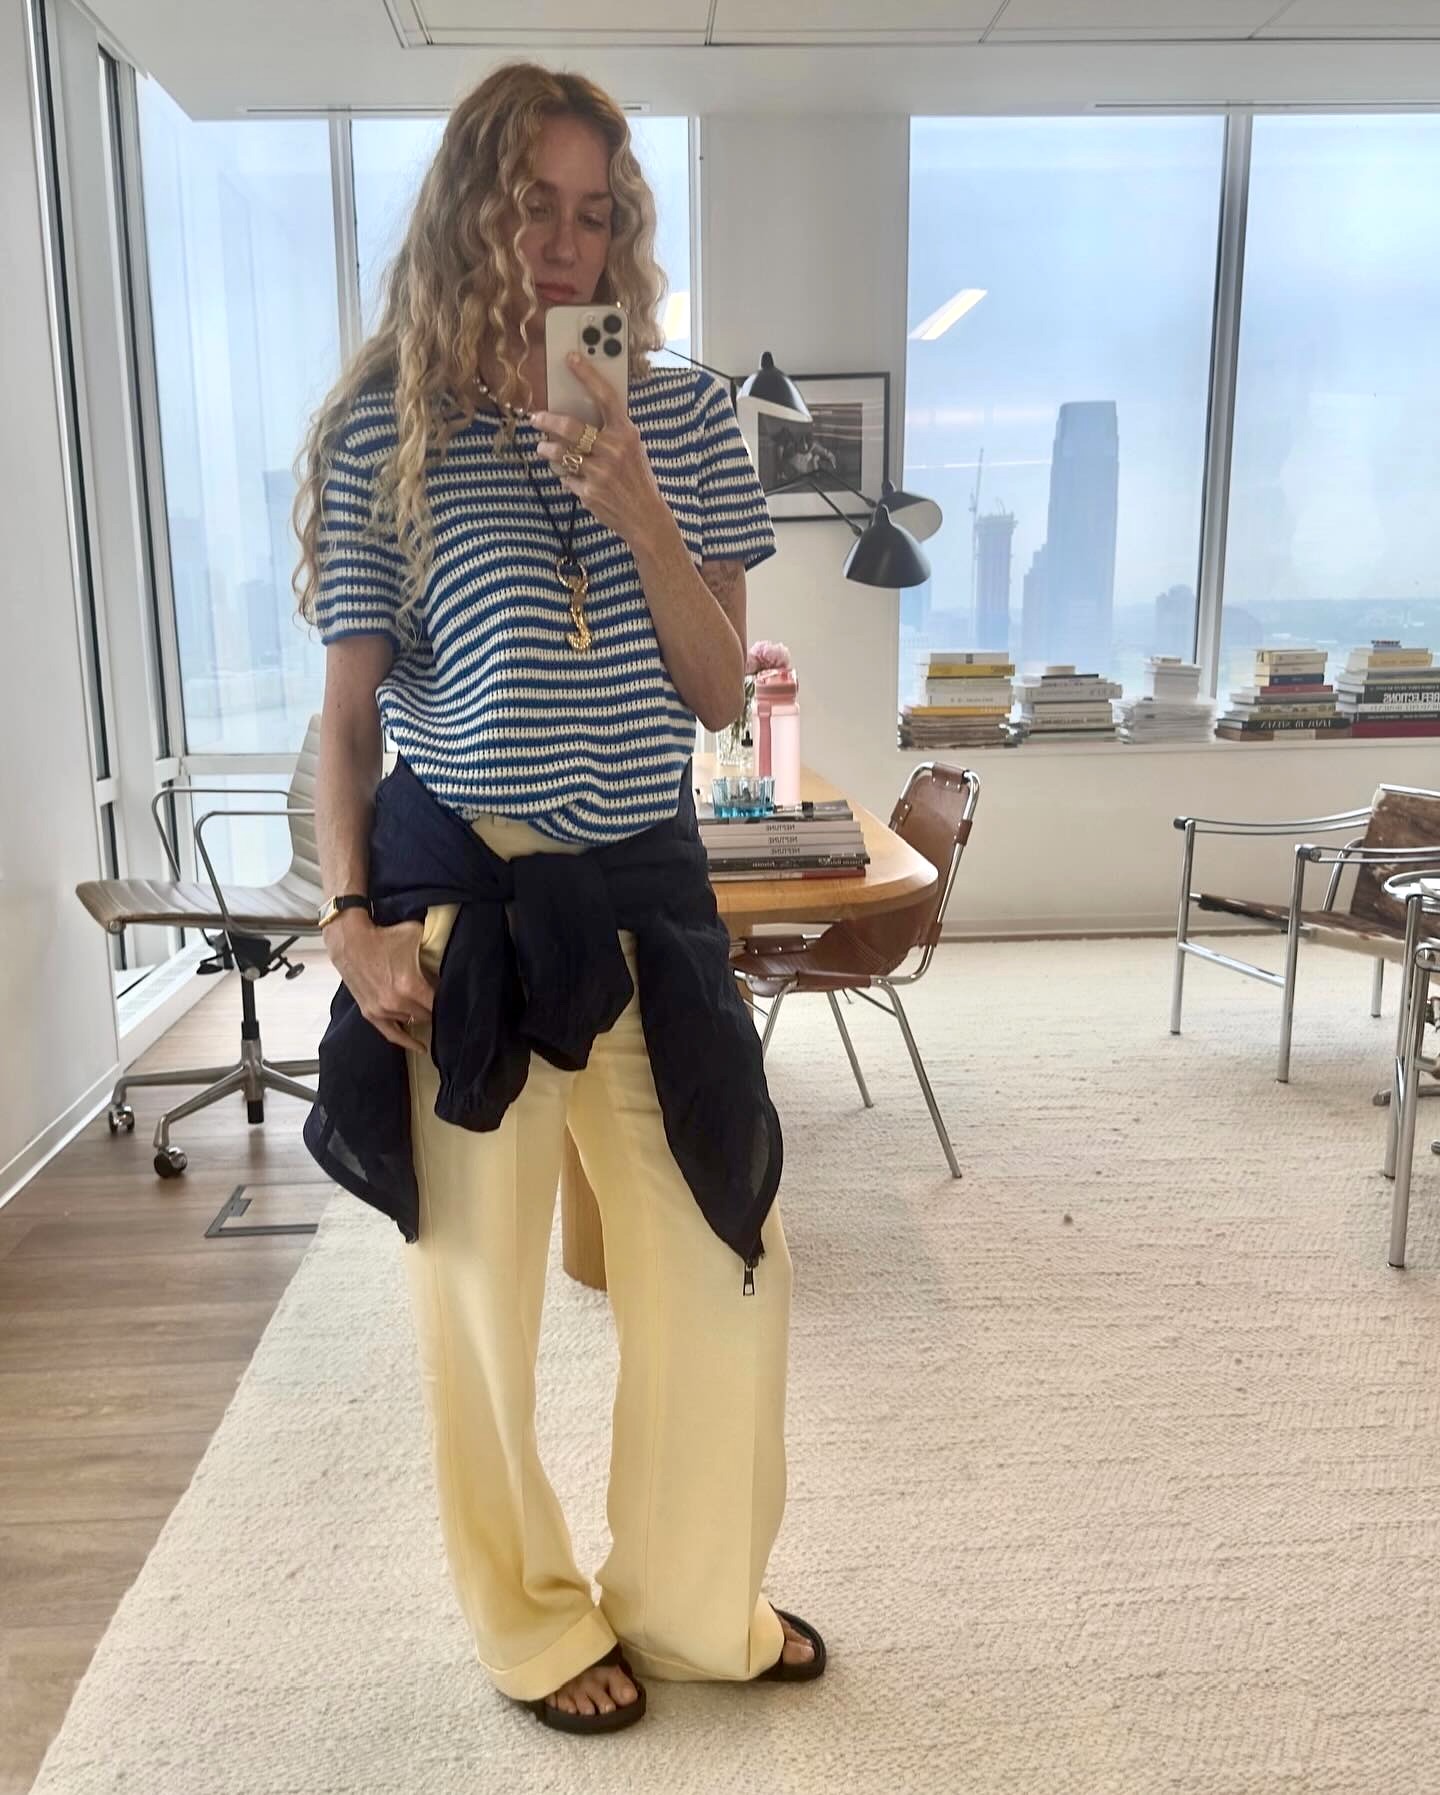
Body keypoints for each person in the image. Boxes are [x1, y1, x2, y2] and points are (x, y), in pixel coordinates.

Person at [291, 62, 826, 1737]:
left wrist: (644, 512)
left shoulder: (676, 413)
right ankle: (528, 1623)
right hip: (461, 905)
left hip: (648, 893)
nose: (568, 245)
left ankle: (683, 1603)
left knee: (727, 1250)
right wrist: (349, 916)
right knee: (481, 1290)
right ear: (475, 211)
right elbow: (351, 716)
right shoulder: (391, 417)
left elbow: (717, 690)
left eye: (600, 213)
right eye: (536, 206)